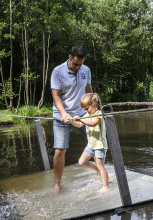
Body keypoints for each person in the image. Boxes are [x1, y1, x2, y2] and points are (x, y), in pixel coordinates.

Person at [50, 45, 93, 194]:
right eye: (75, 64)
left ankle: (100, 171)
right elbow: (56, 96)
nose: (77, 67)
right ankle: (57, 185)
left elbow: (89, 92)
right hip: (62, 115)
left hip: (82, 113)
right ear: (70, 58)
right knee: (60, 150)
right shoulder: (58, 72)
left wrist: (93, 109)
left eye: (80, 64)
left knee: (97, 141)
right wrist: (63, 113)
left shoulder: (85, 70)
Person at [69, 93, 111, 194]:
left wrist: (81, 119)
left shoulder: (99, 113)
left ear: (94, 105)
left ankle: (106, 187)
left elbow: (93, 124)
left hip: (99, 145)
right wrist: (71, 121)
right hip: (91, 145)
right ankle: (102, 172)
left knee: (100, 165)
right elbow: (79, 124)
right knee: (82, 162)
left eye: (87, 108)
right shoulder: (87, 115)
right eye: (84, 109)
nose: (86, 111)